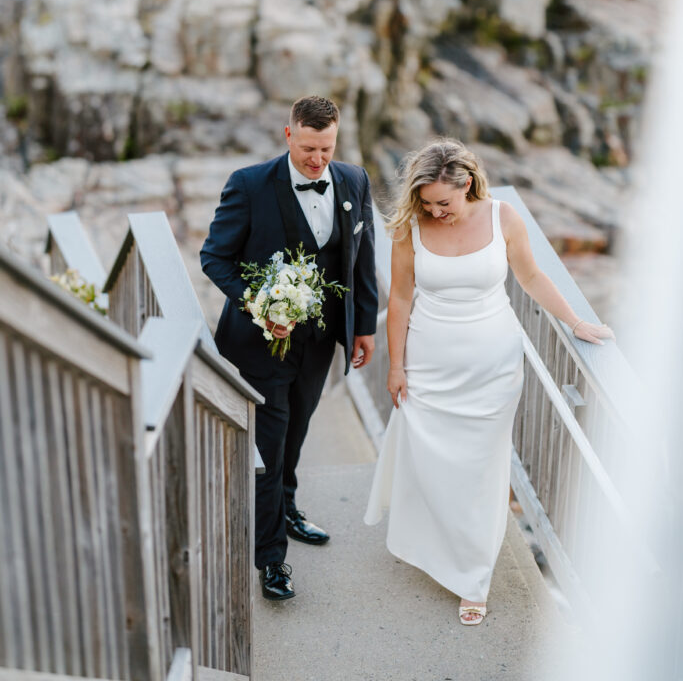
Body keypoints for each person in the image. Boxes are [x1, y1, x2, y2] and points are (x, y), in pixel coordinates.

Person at [364, 139, 613, 625]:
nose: (435, 212)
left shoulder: (504, 218)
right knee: (432, 461)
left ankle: (473, 579)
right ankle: (434, 548)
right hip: (429, 364)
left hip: (492, 367)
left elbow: (532, 278)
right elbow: (400, 299)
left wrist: (575, 322)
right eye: (427, 203)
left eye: (444, 203)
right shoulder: (411, 227)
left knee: (481, 469)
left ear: (468, 185)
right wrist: (396, 366)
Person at [201, 96, 378, 601]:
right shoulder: (248, 184)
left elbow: (361, 258)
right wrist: (260, 306)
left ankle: (288, 506)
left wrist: (363, 326)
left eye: (326, 149)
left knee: (298, 428)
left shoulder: (354, 179)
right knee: (270, 443)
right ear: (288, 135)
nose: (318, 160)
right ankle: (271, 560)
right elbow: (214, 258)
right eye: (308, 149)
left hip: (320, 342)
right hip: (261, 347)